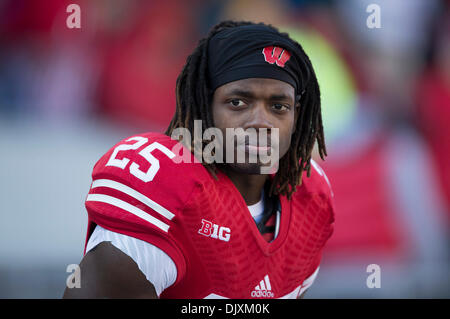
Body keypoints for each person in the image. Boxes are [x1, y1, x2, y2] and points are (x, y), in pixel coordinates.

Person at [63, 20, 335, 299]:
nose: (261, 122)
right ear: (205, 106)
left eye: (279, 106)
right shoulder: (167, 186)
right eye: (238, 102)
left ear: (297, 115)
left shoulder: (310, 196)